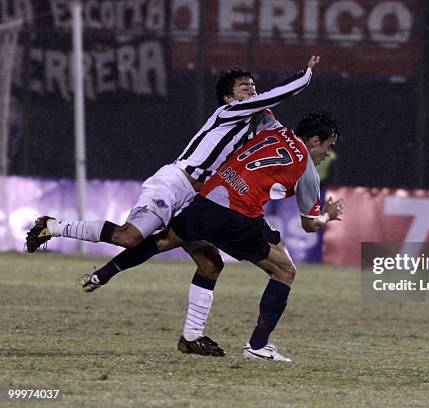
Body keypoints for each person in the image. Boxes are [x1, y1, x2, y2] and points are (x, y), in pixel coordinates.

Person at [25, 55, 320, 291]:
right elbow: (273, 99)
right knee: (130, 237)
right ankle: (53, 226)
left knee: (210, 264)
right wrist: (304, 76)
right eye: (245, 87)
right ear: (229, 99)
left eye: (253, 86)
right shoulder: (229, 114)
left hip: (198, 197)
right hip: (176, 183)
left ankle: (191, 337)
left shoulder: (253, 129)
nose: (253, 91)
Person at [82, 112, 343, 361]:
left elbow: (260, 109)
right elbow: (309, 225)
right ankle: (258, 346)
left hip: (207, 199)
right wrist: (328, 215)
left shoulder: (274, 128)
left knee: (165, 241)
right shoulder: (306, 169)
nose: (328, 153)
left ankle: (102, 274)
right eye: (328, 145)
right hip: (237, 216)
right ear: (314, 141)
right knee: (285, 271)